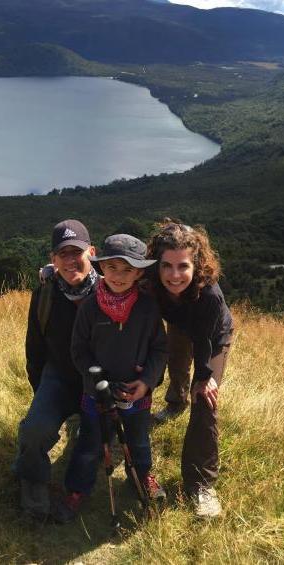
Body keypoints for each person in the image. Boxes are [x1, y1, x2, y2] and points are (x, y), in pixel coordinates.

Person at [54, 233, 168, 522]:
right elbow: (78, 350)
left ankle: (142, 477)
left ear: (139, 272)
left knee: (139, 440)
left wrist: (147, 382)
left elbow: (159, 349)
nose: (119, 275)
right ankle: (78, 489)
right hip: (97, 393)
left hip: (136, 393)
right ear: (101, 267)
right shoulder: (91, 307)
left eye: (128, 269)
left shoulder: (148, 308)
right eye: (113, 267)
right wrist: (96, 383)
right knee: (91, 442)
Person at [147, 221, 235, 520]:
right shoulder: (149, 278)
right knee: (175, 363)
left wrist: (205, 377)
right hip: (179, 323)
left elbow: (203, 345)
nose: (174, 275)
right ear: (156, 264)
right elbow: (114, 271)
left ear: (196, 264)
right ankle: (175, 403)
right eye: (166, 266)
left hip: (212, 336)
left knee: (205, 400)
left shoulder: (209, 294)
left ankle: (201, 484)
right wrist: (51, 272)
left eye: (182, 266)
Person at [15, 220, 99, 521]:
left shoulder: (112, 290)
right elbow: (34, 348)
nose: (70, 259)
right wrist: (42, 396)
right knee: (34, 430)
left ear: (92, 252)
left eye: (76, 251)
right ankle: (34, 496)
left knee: (97, 439)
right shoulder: (45, 294)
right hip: (59, 377)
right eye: (62, 253)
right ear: (53, 259)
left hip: (100, 383)